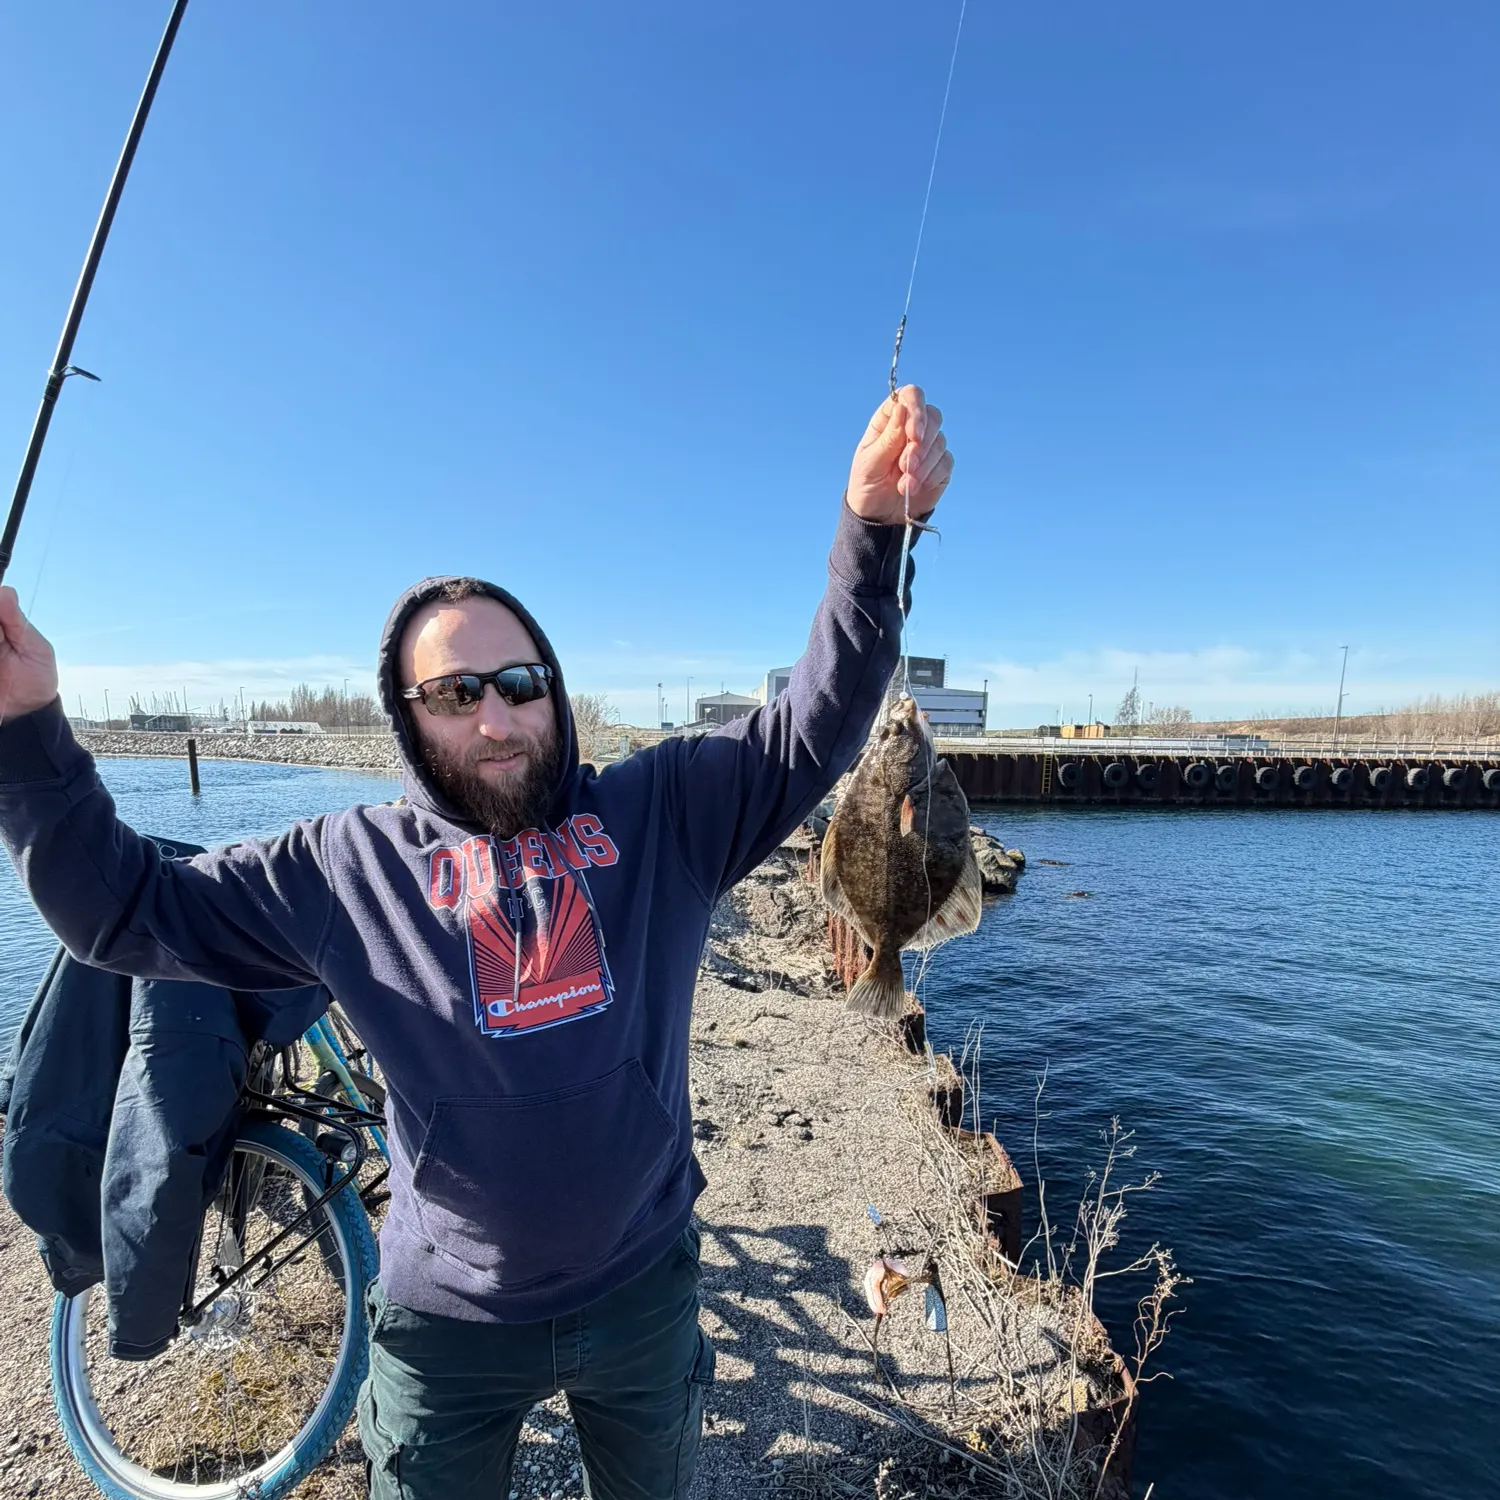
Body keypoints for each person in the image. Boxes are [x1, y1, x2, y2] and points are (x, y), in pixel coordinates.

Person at [0, 385, 953, 1500]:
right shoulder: (341, 866)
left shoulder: (663, 815)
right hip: (445, 1322)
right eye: (455, 692)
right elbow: (121, 909)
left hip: (643, 1288)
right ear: (409, 718)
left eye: (519, 683)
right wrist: (28, 733)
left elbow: (817, 718)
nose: (495, 717)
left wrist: (871, 533)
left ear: (555, 694)